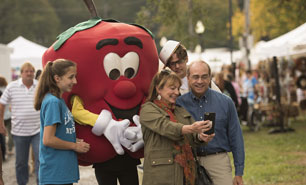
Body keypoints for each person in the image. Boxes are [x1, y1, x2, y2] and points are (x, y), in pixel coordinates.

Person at [139, 70, 214, 185]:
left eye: (178, 88)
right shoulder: (148, 109)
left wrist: (201, 136)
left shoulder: (180, 110)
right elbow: (166, 127)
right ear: (158, 88)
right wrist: (191, 128)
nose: (177, 92)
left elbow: (193, 136)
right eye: (172, 88)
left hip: (185, 176)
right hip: (160, 177)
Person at [176, 60, 245, 185]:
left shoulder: (226, 102)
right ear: (188, 78)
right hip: (189, 161)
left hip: (218, 161)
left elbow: (236, 137)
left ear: (210, 78)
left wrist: (239, 172)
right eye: (195, 77)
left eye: (204, 77)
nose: (200, 81)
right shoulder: (179, 104)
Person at [34, 59, 90, 185]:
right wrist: (75, 146)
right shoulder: (53, 102)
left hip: (61, 172)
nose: (75, 81)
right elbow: (48, 140)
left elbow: (58, 133)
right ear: (57, 78)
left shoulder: (59, 101)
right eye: (71, 77)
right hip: (55, 174)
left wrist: (73, 140)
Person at [0, 62, 40, 185]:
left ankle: (41, 182)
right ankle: (22, 183)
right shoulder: (12, 86)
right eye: (26, 71)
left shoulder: (39, 85)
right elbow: (2, 104)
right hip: (19, 132)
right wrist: (1, 123)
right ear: (21, 73)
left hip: (38, 130)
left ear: (34, 73)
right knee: (21, 162)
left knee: (40, 160)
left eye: (31, 71)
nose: (29, 73)